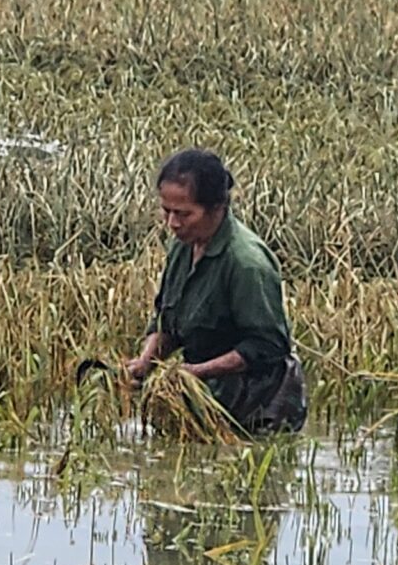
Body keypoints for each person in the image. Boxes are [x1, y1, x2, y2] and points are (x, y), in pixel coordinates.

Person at [122, 148, 305, 434]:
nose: (172, 224)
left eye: (183, 214)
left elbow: (267, 346)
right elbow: (166, 321)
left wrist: (195, 372)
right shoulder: (182, 246)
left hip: (257, 410)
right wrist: (146, 362)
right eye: (166, 211)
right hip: (206, 399)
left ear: (216, 208)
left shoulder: (247, 263)